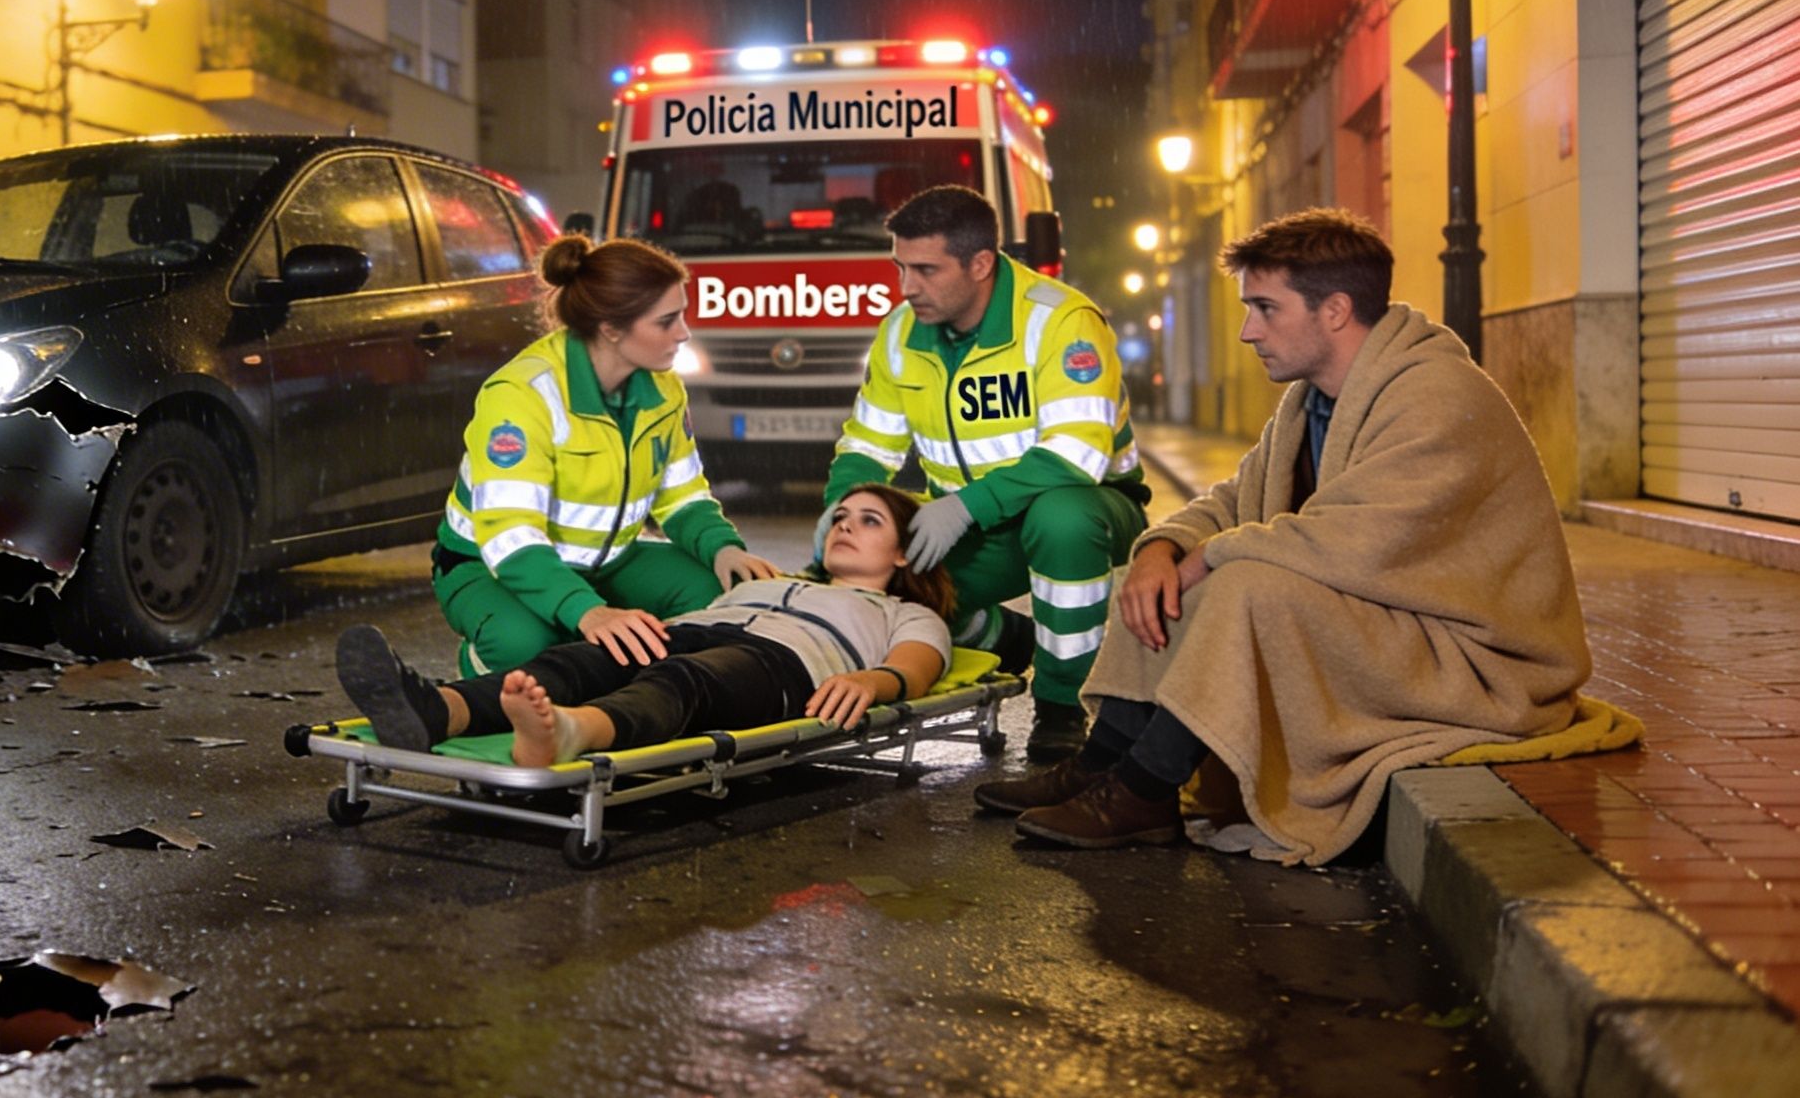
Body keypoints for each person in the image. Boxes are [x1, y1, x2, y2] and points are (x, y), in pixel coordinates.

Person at [976, 209, 1594, 861]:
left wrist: (1208, 557)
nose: (1248, 331)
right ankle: (1103, 765)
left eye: (1266, 309)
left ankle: (1144, 789)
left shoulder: (1438, 397)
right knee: (1161, 575)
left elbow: (1355, 540)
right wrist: (1165, 549)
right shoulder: (1314, 400)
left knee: (1244, 586)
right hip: (1399, 626)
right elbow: (1235, 501)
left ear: (1333, 310)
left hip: (1477, 662)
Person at [822, 186, 1151, 760]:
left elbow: (1078, 453)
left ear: (980, 264)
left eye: (925, 269)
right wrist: (840, 509)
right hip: (971, 520)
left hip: (1086, 506)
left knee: (1063, 519)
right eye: (900, 266)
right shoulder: (901, 333)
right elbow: (868, 445)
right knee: (873, 587)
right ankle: (1009, 638)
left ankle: (1061, 706)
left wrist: (964, 507)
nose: (907, 287)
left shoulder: (1061, 321)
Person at [345, 486, 953, 766]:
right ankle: (435, 709)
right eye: (840, 515)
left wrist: (874, 685)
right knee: (581, 660)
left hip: (783, 665)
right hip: (697, 629)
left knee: (685, 681)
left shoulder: (904, 612)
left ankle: (570, 734)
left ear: (905, 554)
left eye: (870, 521)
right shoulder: (771, 577)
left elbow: (917, 667)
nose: (845, 524)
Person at [433, 234, 782, 676]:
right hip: (490, 566)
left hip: (606, 561)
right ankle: (481, 662)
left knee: (724, 597)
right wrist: (588, 612)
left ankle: (637, 673)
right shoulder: (522, 395)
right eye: (666, 321)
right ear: (612, 329)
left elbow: (683, 496)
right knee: (531, 645)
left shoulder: (663, 386)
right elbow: (511, 538)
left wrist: (722, 549)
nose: (684, 333)